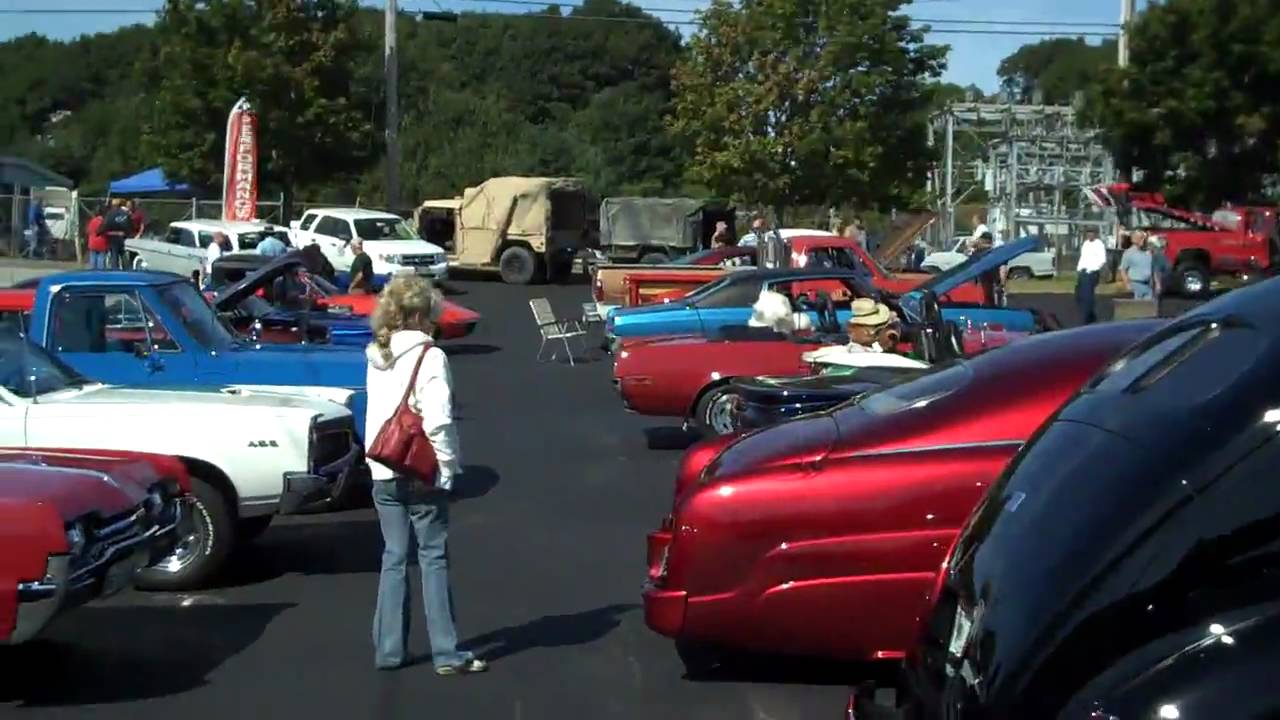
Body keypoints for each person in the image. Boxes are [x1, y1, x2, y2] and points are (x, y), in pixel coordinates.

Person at [365, 274, 487, 676]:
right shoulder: (430, 356)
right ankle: (445, 652)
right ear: (421, 314)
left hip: (383, 469)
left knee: (393, 558)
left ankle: (388, 650)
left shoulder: (375, 354)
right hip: (419, 470)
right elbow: (438, 420)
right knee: (433, 557)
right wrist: (448, 468)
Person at [1074, 229, 1108, 324]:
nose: (1089, 235)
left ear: (1095, 234)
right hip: (1082, 271)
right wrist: (1079, 269)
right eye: (1088, 233)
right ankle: (1090, 314)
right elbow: (1083, 257)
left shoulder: (1099, 244)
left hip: (1091, 272)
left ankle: (1087, 317)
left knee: (1087, 295)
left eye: (1091, 233)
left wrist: (1092, 269)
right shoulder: (1085, 244)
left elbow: (1102, 260)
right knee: (1079, 295)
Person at [1119, 230, 1157, 300]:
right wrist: (1127, 284)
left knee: (1149, 309)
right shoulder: (1128, 253)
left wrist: (1156, 283)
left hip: (1148, 286)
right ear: (1135, 240)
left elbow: (1153, 268)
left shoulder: (1148, 252)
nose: (1144, 240)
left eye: (1143, 238)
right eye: (1141, 238)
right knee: (1137, 309)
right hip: (1135, 286)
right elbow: (1123, 270)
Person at [103, 199, 132, 269]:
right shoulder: (124, 213)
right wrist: (127, 233)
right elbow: (128, 224)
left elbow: (106, 224)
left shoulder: (109, 213)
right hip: (122, 236)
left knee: (114, 255)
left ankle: (115, 269)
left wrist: (104, 231)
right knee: (123, 253)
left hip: (112, 236)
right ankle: (126, 269)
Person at [86, 205, 109, 270]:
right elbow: (107, 232)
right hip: (102, 243)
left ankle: (93, 273)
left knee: (93, 258)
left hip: (92, 243)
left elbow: (88, 231)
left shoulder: (93, 221)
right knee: (101, 259)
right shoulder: (105, 222)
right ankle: (100, 274)